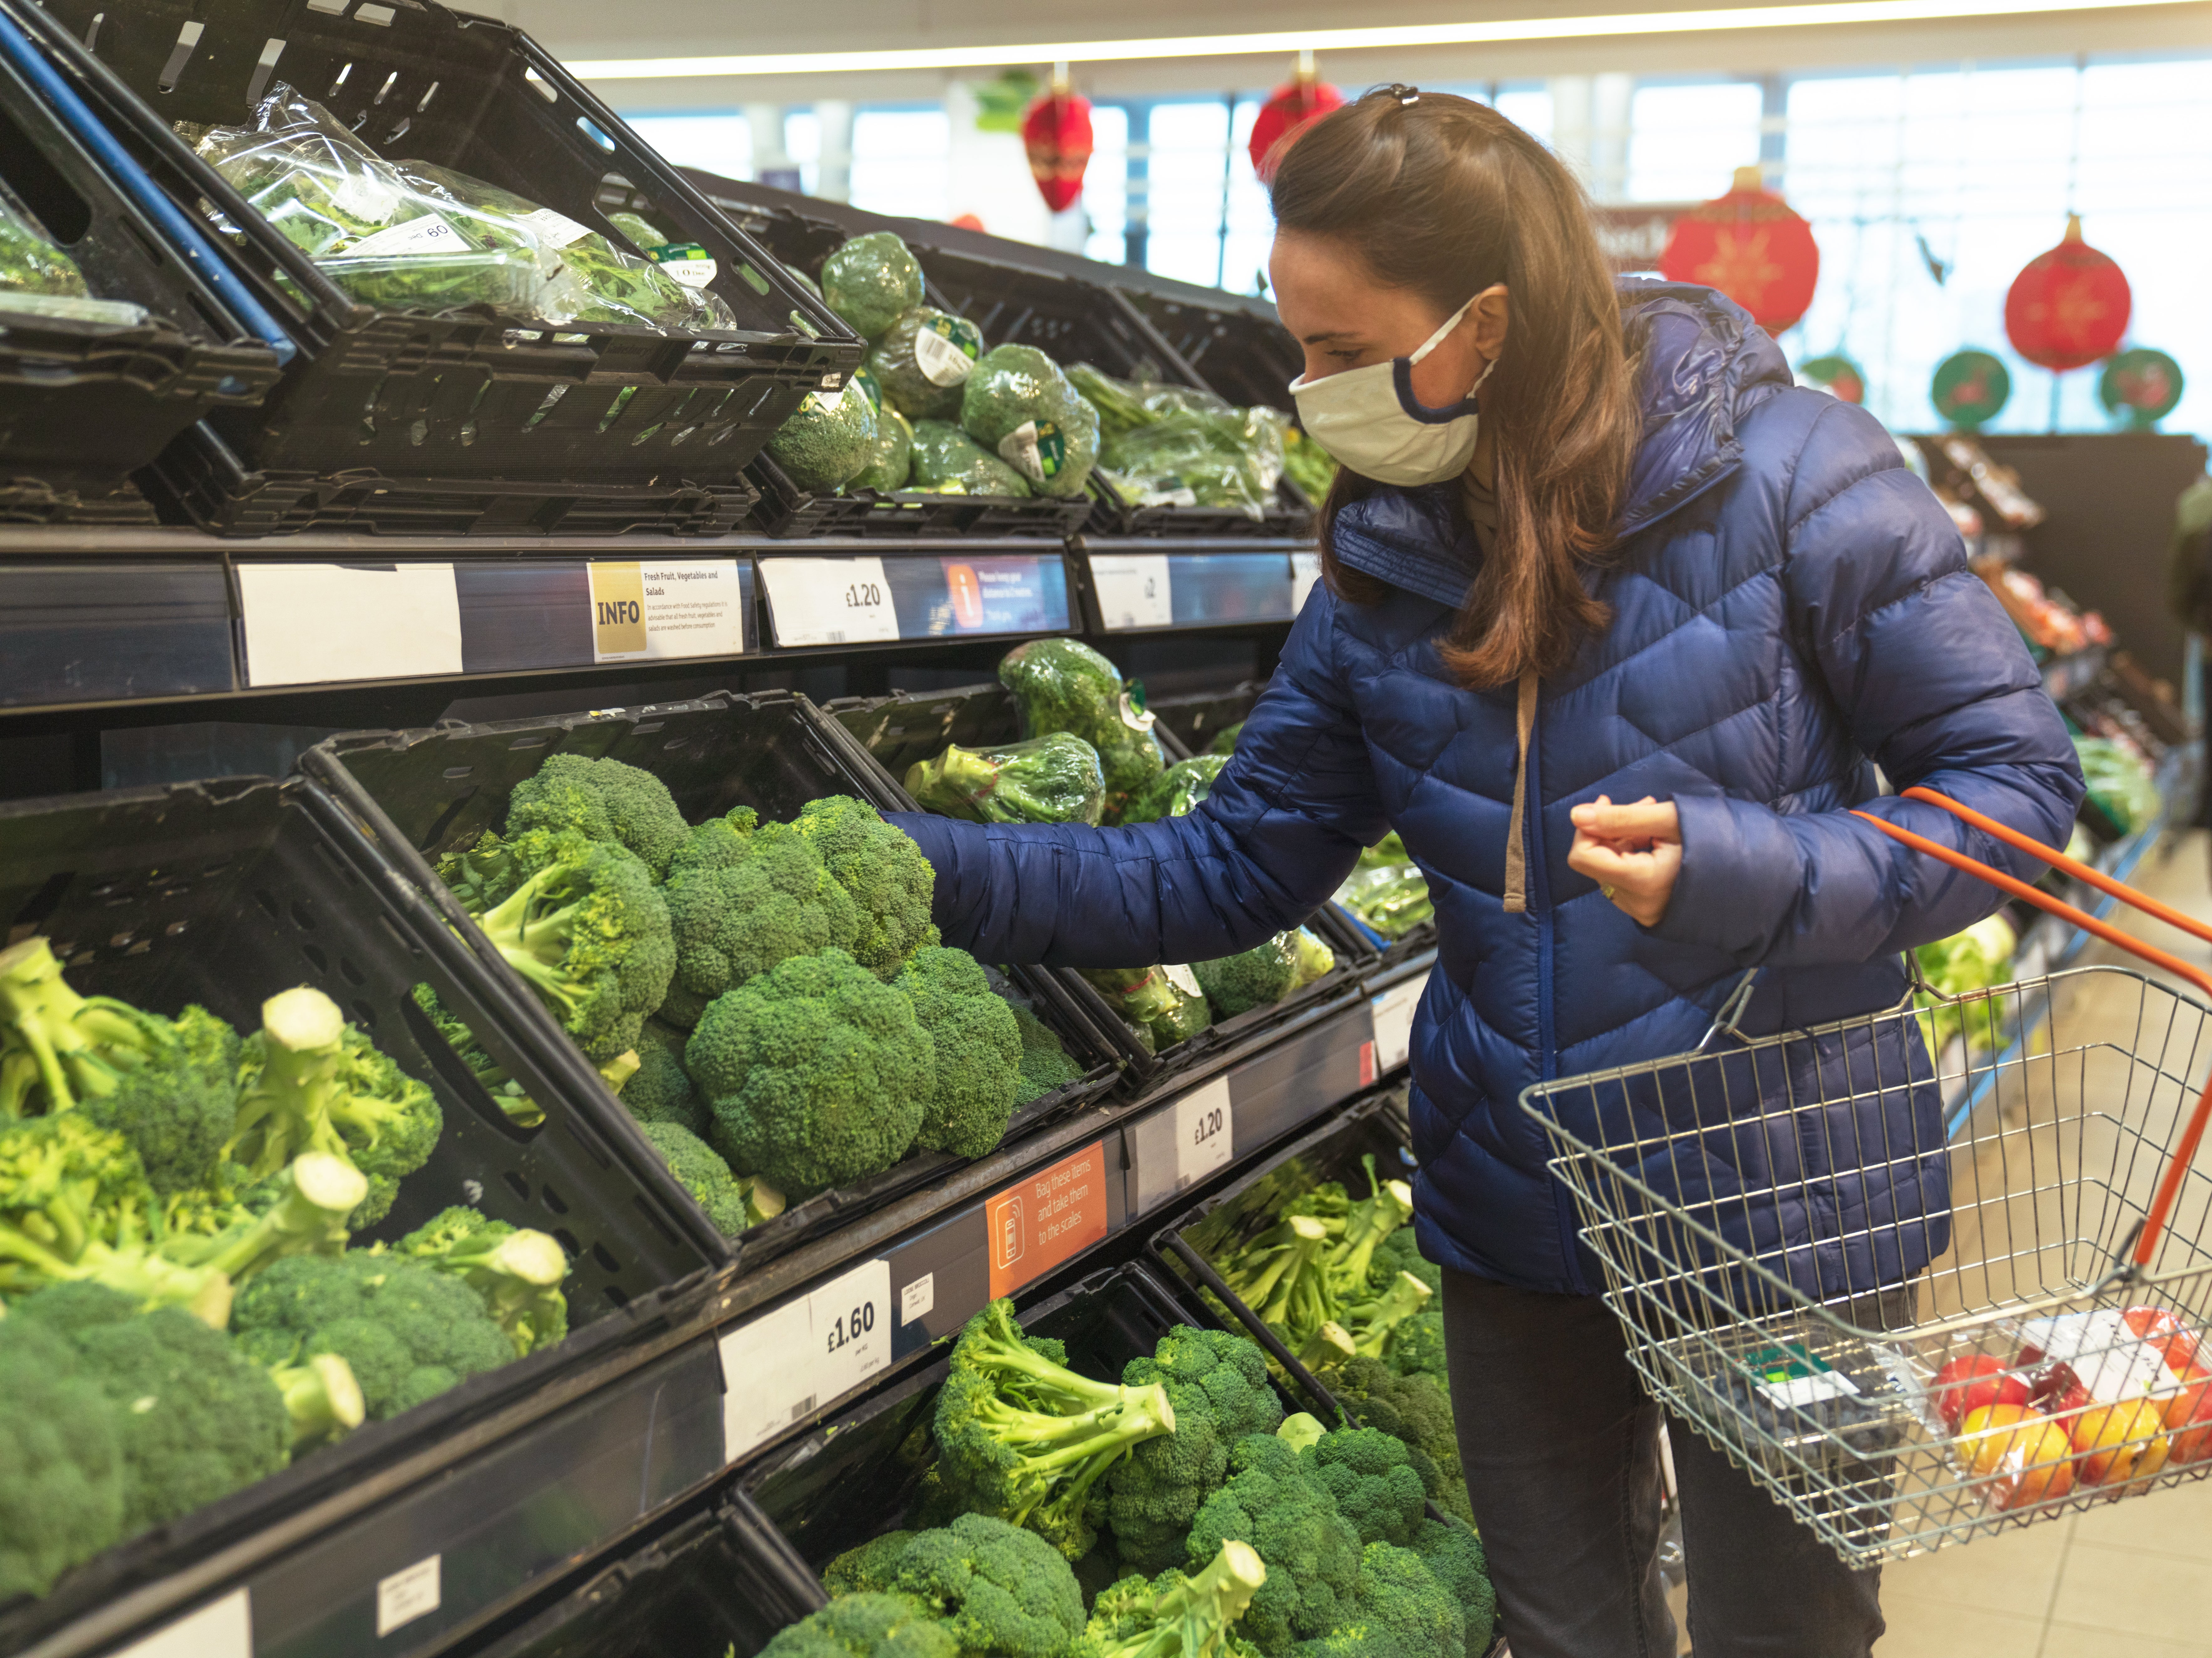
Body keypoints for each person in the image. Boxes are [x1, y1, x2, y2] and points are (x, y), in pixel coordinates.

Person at [891, 87, 2082, 1658]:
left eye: (1340, 347)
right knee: (1564, 1629)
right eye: (1294, 342)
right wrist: (910, 865)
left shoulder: (1797, 475)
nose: (1310, 389)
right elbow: (1233, 867)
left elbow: (2016, 790)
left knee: (1786, 1632)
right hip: (1518, 1200)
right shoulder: (1389, 562)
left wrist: (1747, 866)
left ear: (1489, 323)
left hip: (1778, 1202)